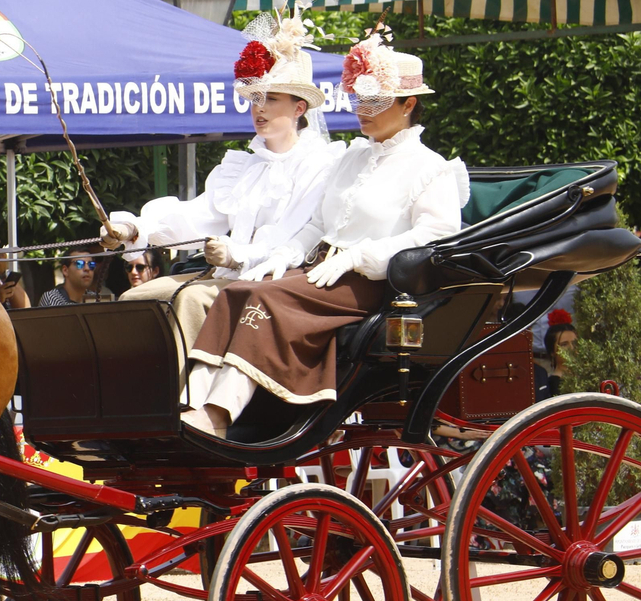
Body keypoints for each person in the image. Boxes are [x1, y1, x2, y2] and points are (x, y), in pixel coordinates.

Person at [181, 31, 468, 438]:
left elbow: (436, 235)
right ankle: (190, 405)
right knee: (236, 292)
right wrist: (284, 253)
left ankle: (218, 415)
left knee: (263, 298)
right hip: (318, 269)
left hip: (371, 283)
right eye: (358, 99)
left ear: (408, 105)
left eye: (375, 102)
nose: (362, 110)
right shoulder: (352, 156)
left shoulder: (430, 167)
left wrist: (359, 256)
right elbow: (318, 223)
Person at [105, 7, 341, 360]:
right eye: (255, 99)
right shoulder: (244, 167)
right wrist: (133, 228)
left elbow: (293, 238)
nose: (259, 109)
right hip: (229, 278)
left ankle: (184, 389)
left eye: (271, 99)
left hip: (278, 284)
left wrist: (235, 254)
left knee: (190, 299)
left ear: (299, 108)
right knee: (134, 299)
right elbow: (199, 215)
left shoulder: (319, 165)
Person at [38, 247, 109, 306]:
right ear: (65, 270)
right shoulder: (52, 298)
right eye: (79, 264)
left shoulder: (96, 299)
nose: (87, 269)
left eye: (91, 264)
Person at [535, 309, 578, 401]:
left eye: (574, 343)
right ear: (552, 352)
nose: (571, 348)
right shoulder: (552, 385)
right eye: (564, 344)